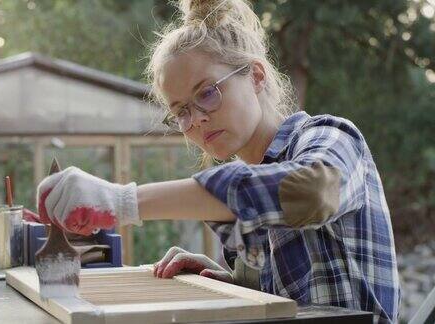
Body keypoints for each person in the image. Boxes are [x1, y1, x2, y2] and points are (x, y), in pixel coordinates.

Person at [36, 0, 399, 322]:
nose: (195, 120)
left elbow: (312, 192)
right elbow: (293, 298)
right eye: (180, 111)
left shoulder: (331, 138)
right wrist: (234, 282)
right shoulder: (241, 191)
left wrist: (122, 201)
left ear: (255, 76)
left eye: (207, 93)